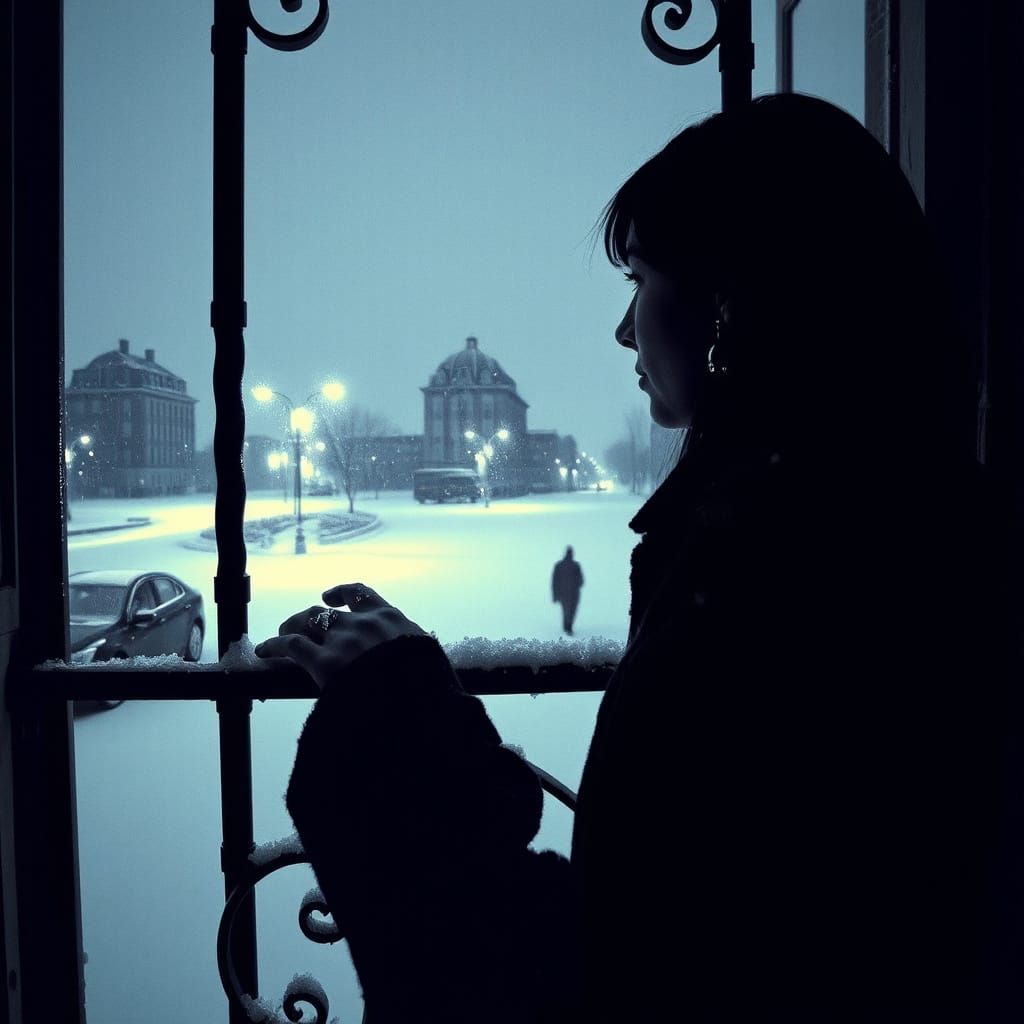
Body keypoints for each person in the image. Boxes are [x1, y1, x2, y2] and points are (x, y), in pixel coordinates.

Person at [256, 94, 1019, 1022]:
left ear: (730, 304)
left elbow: (626, 972)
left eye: (641, 279)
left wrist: (393, 723)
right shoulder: (870, 521)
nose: (624, 329)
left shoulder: (799, 577)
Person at [551, 545, 584, 634]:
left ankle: (566, 626)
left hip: (562, 593)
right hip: (574, 593)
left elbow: (554, 582)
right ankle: (568, 627)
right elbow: (581, 581)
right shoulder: (576, 565)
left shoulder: (559, 565)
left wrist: (555, 595)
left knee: (565, 610)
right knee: (572, 610)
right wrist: (577, 584)